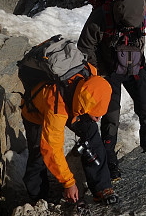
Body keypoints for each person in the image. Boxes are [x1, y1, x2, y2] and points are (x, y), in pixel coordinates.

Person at [78, 0, 146, 179]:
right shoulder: (101, 16)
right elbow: (85, 47)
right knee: (111, 116)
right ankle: (109, 159)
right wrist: (97, 71)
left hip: (136, 65)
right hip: (108, 70)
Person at [20, 69, 118, 205]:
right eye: (95, 113)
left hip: (73, 101)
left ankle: (102, 188)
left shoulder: (89, 76)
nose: (98, 119)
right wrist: (69, 183)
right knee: (39, 153)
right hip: (35, 113)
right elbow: (51, 149)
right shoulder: (57, 109)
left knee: (91, 133)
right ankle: (38, 198)